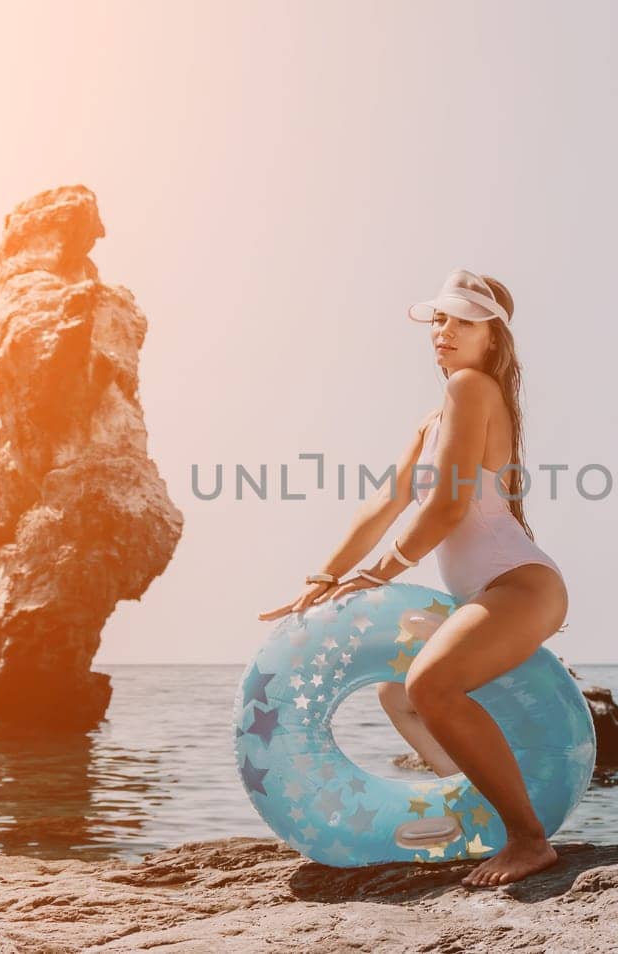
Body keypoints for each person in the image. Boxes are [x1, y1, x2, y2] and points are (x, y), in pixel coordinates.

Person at [258, 267, 570, 888]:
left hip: (520, 583)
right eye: (439, 319)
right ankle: (478, 810)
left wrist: (378, 574)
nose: (443, 331)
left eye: (461, 320)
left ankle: (529, 841)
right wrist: (325, 578)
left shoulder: (472, 388)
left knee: (430, 685)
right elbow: (384, 504)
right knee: (396, 694)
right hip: (489, 592)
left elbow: (448, 505)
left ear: (493, 338)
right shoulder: (435, 416)